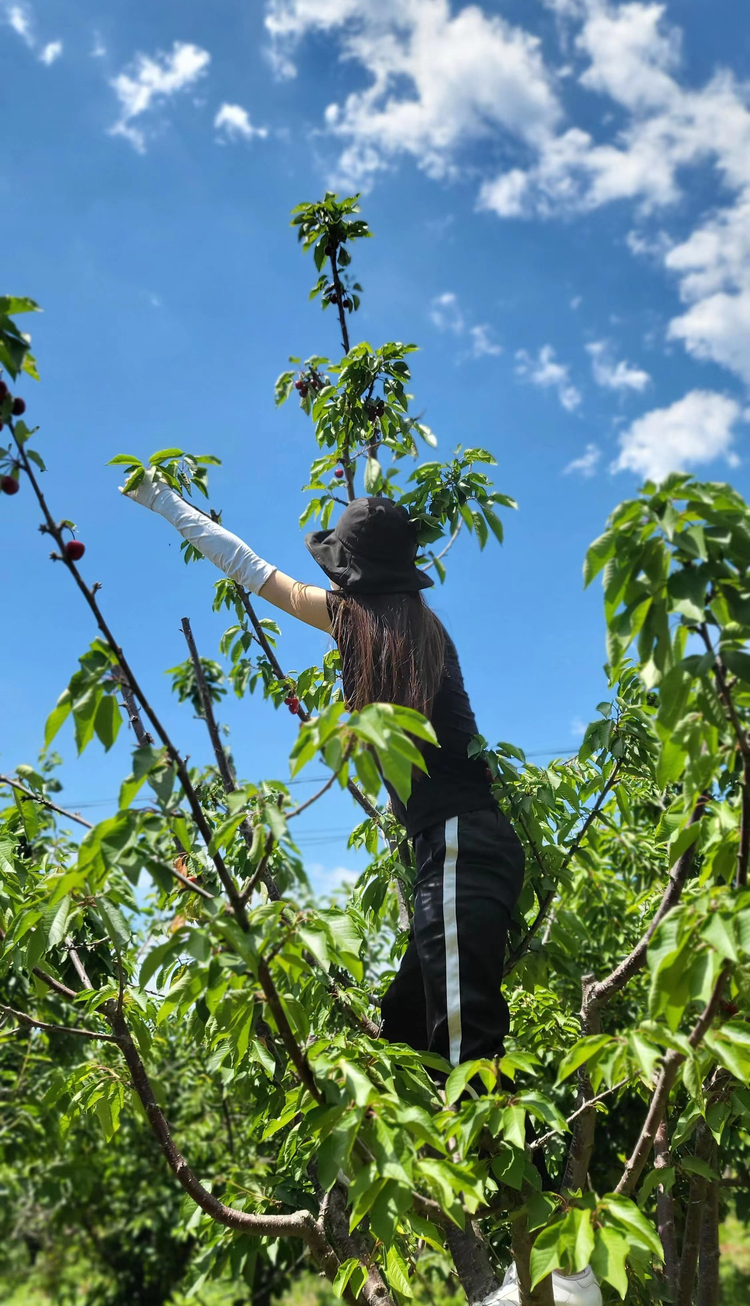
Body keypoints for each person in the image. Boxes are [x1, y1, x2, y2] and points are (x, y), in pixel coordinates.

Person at [122, 476, 602, 1306]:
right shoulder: (407, 628)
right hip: (455, 854)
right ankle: (492, 1252)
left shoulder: (366, 626)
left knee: (471, 1058)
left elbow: (249, 568)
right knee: (406, 1026)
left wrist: (167, 502)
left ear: (350, 578)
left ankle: (560, 1272)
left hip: (458, 850)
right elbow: (256, 571)